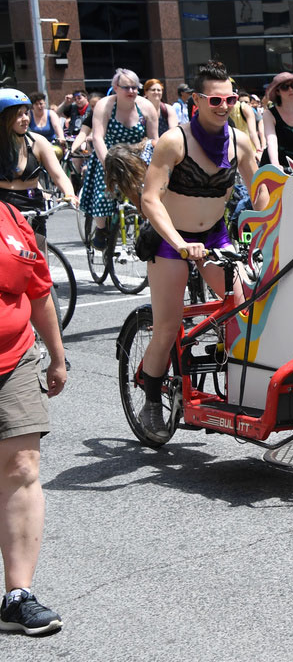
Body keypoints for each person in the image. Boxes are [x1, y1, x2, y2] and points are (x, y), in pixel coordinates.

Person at [138, 60, 263, 437]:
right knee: (168, 326)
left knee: (245, 310)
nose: (224, 105)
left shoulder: (240, 141)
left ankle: (236, 386)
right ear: (196, 100)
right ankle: (151, 398)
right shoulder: (174, 141)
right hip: (170, 240)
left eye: (231, 98)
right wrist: (179, 243)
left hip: (215, 236)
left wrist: (272, 229)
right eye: (215, 99)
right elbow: (150, 199)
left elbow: (260, 192)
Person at [0, 182, 66, 636]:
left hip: (14, 356)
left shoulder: (11, 218)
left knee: (22, 466)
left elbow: (38, 288)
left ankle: (17, 596)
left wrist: (58, 357)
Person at [79, 69, 157, 249]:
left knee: (149, 193)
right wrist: (107, 163)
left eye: (134, 88)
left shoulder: (146, 107)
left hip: (136, 157)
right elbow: (98, 137)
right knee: (105, 192)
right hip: (109, 154)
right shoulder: (105, 105)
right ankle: (100, 228)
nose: (131, 91)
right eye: (126, 88)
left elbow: (154, 139)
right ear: (115, 87)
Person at [0, 91, 77, 244]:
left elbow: (58, 175)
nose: (25, 119)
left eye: (26, 113)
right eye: (18, 115)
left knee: (39, 253)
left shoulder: (38, 142)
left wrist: (70, 194)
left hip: (31, 203)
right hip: (3, 205)